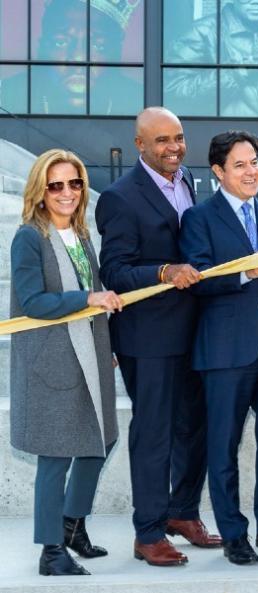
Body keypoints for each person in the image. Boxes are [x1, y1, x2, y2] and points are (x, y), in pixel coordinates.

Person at [178, 130, 258, 565]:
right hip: (225, 353)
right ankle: (234, 533)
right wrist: (241, 275)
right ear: (218, 172)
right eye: (240, 164)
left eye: (254, 162)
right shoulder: (199, 218)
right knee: (224, 446)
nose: (251, 171)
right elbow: (195, 281)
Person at [96, 107, 219, 567]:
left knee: (196, 425)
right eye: (163, 140)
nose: (174, 147)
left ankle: (182, 512)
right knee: (154, 434)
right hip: (148, 337)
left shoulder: (188, 181)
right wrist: (165, 271)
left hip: (195, 331)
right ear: (140, 145)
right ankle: (147, 532)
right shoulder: (119, 198)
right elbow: (115, 270)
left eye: (179, 138)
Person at [10, 150, 121, 576]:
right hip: (52, 360)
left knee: (100, 440)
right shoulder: (29, 237)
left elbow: (91, 295)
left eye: (74, 183)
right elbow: (34, 300)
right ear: (41, 190)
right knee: (56, 455)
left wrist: (103, 343)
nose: (67, 192)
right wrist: (90, 299)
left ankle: (72, 525)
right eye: (56, 185)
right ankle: (51, 551)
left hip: (89, 356)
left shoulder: (82, 235)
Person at [26, 0, 142, 115]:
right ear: (43, 48)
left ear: (116, 54)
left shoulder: (140, 100)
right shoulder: (12, 94)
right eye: (60, 42)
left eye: (98, 45)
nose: (78, 57)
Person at [165, 0, 258, 117]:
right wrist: (237, 73)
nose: (256, 2)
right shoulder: (202, 31)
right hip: (222, 131)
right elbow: (173, 91)